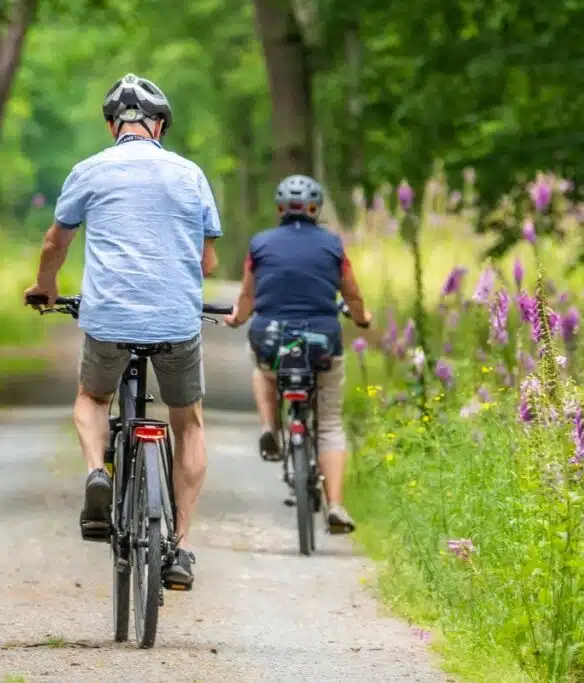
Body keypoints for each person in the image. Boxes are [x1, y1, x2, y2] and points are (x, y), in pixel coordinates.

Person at [23, 73, 221, 589]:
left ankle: (97, 472)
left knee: (93, 398)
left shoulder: (89, 170)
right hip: (176, 321)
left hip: (109, 318)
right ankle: (181, 547)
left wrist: (46, 287)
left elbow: (55, 243)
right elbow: (207, 260)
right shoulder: (190, 174)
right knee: (189, 422)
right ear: (160, 126)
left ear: (114, 126)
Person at [223, 174, 371, 534]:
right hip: (322, 342)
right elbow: (351, 294)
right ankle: (335, 505)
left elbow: (247, 296)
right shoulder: (333, 245)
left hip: (272, 339)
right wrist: (362, 318)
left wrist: (238, 318)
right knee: (330, 423)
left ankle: (269, 427)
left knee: (263, 370)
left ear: (280, 209)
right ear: (316, 209)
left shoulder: (260, 244)